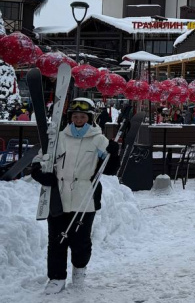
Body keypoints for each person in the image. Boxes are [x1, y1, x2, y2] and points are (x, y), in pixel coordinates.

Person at [30, 98, 120, 295]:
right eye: (75, 116)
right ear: (70, 118)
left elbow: (111, 169)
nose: (78, 119)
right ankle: (56, 277)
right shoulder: (59, 137)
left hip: (85, 197)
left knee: (80, 240)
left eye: (82, 116)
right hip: (58, 196)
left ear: (89, 118)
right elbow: (39, 159)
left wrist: (114, 154)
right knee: (56, 240)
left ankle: (79, 270)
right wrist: (40, 173)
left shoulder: (98, 139)